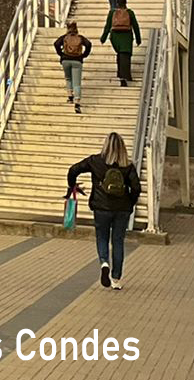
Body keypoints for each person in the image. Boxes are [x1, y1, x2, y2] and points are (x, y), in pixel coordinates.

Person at [67, 132, 141, 290]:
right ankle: (116, 278)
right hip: (122, 210)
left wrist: (72, 185)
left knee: (102, 237)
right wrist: (130, 203)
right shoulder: (127, 165)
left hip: (101, 208)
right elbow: (136, 188)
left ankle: (104, 263)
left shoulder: (95, 161)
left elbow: (73, 169)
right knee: (118, 241)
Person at [101, 0, 141, 86]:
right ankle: (126, 76)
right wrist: (138, 39)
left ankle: (121, 75)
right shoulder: (130, 13)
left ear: (117, 3)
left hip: (115, 37)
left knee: (119, 55)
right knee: (126, 56)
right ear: (125, 3)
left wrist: (103, 38)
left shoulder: (112, 13)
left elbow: (107, 26)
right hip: (126, 37)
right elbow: (135, 26)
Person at [53, 21, 91, 114]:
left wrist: (61, 54)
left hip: (66, 60)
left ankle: (70, 97)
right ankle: (77, 103)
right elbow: (89, 44)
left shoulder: (65, 37)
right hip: (77, 61)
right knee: (77, 83)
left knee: (68, 78)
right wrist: (84, 55)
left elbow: (56, 44)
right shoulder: (80, 38)